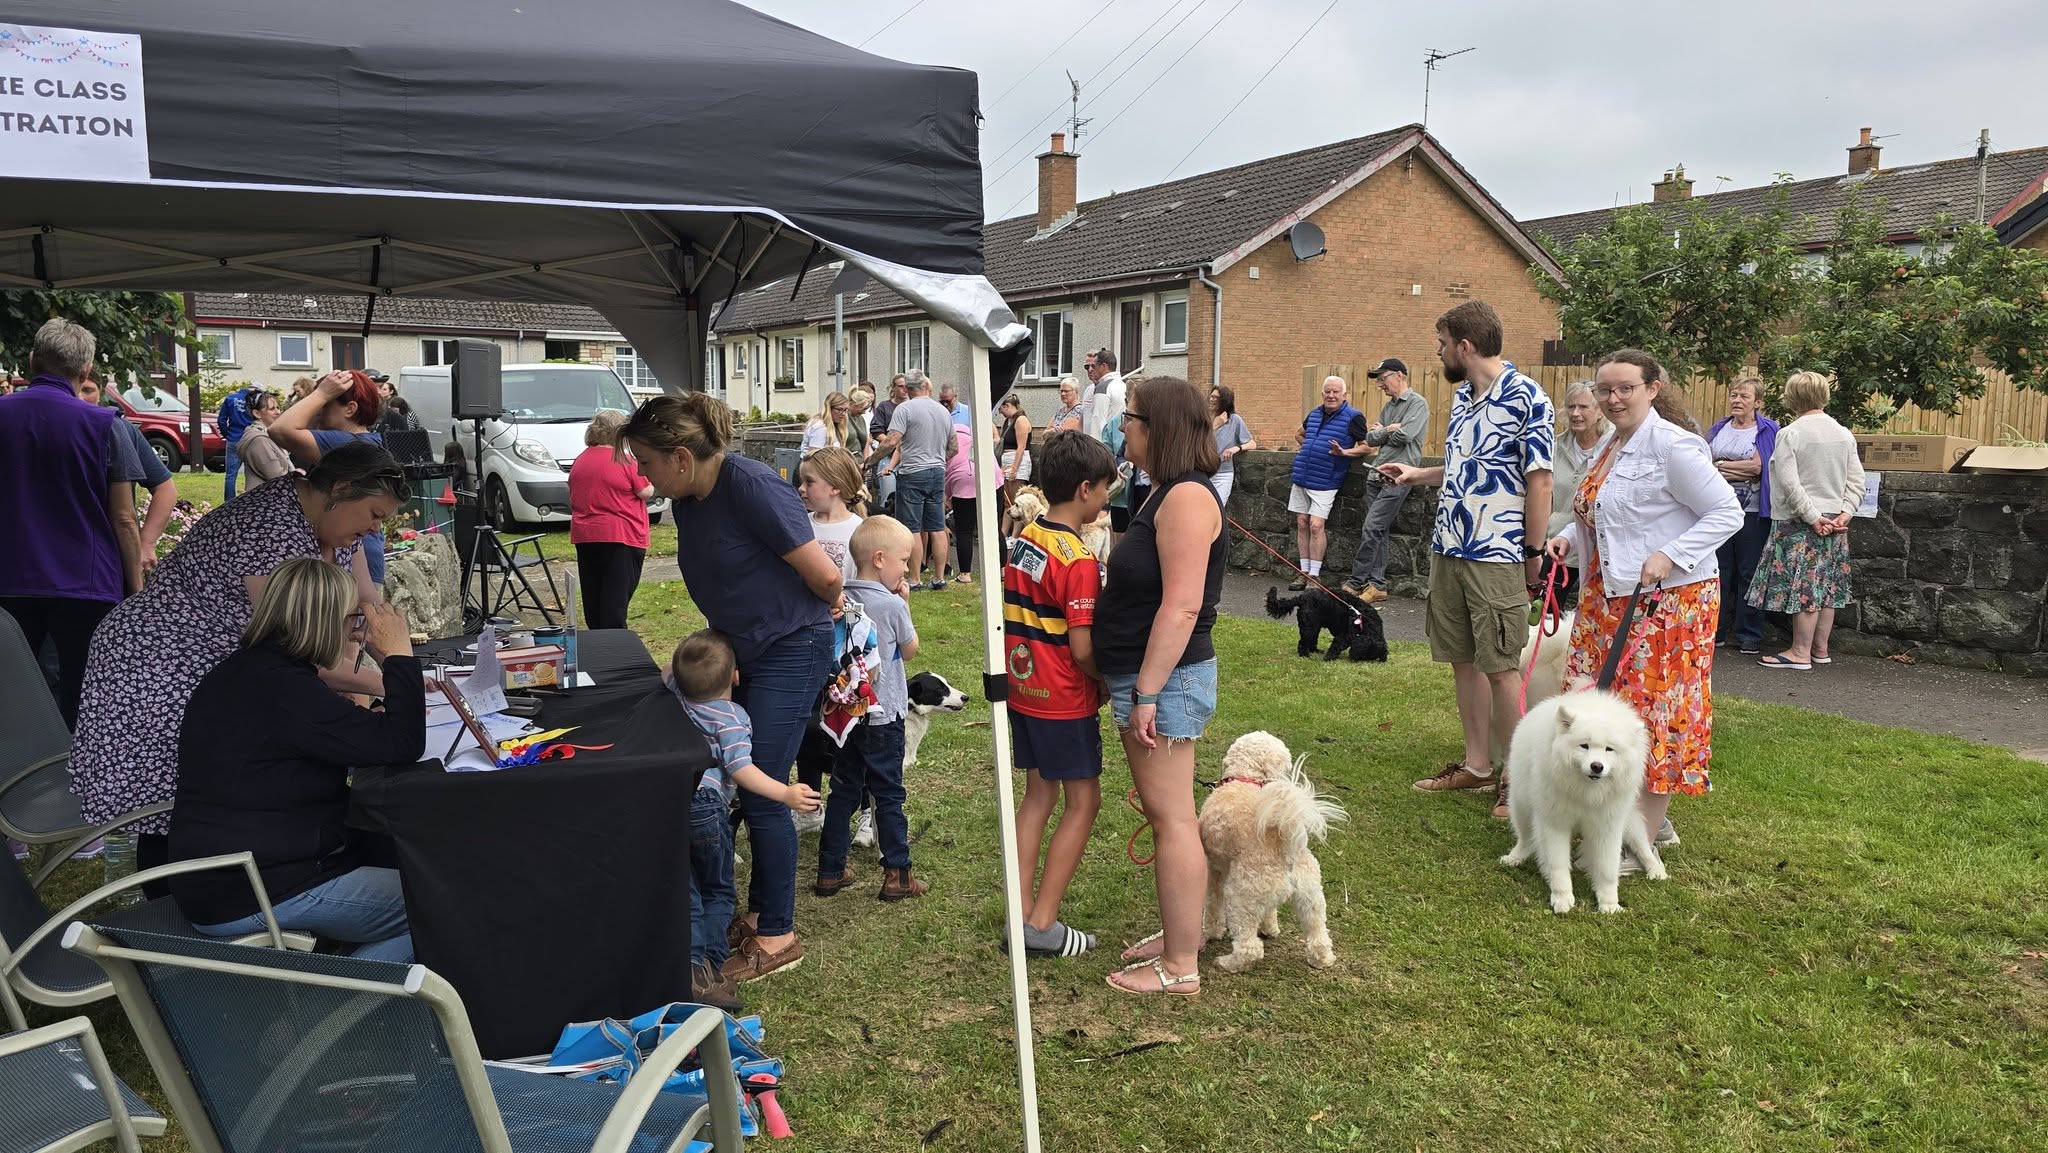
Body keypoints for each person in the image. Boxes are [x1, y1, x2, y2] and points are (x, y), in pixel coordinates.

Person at [70, 442, 401, 880]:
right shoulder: (269, 529)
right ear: (340, 489)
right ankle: (175, 895)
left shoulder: (334, 526)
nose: (376, 529)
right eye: (374, 514)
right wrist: (395, 684)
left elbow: (368, 611)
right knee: (177, 791)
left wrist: (396, 664)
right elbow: (300, 649)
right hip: (158, 661)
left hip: (212, 660)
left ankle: (208, 888)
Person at [619, 394, 840, 983]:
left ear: (681, 457)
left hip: (792, 645)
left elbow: (826, 577)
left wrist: (792, 619)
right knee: (739, 775)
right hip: (745, 647)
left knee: (764, 785)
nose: (644, 476)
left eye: (647, 462)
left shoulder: (752, 486)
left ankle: (778, 935)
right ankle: (760, 911)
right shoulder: (689, 498)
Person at [170, 558, 424, 962]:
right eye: (352, 619)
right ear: (324, 622)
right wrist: (398, 655)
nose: (354, 631)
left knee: (406, 867)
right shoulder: (284, 687)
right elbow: (403, 743)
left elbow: (328, 734)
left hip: (228, 875)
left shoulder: (251, 672)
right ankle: (348, 995)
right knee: (441, 902)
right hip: (256, 887)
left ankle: (352, 979)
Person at [1545, 348, 1740, 862]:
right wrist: (1568, 537)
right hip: (1607, 598)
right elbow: (1605, 514)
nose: (1613, 398)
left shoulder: (1673, 447)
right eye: (1605, 389)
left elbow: (1727, 512)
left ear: (1652, 389)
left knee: (1653, 715)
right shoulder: (1611, 444)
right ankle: (1647, 818)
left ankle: (1641, 841)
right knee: (1606, 709)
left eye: (1625, 388)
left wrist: (1671, 555)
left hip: (1668, 605)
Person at [1381, 302, 1552, 814]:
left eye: (1442, 343)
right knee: (1462, 659)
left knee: (1500, 665)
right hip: (1449, 547)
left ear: (1465, 345)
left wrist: (1533, 553)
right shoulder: (1462, 398)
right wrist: (1418, 475)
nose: (1438, 352)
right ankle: (1478, 766)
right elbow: (1466, 465)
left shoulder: (1527, 397)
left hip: (1497, 553)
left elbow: (1541, 481)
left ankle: (1517, 778)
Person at [1094, 377, 1223, 996]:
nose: (1123, 427)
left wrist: (1146, 692)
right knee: (1168, 816)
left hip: (1165, 682)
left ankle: (1179, 966)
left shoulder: (1188, 498)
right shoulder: (1162, 492)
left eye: (1131, 417)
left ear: (1159, 427)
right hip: (1148, 678)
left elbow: (1183, 606)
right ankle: (1183, 935)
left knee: (1173, 820)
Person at [0, 319, 145, 725]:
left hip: (10, 577)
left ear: (32, 360)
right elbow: (124, 517)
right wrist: (136, 589)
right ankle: (77, 765)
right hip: (86, 582)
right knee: (85, 699)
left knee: (10, 697)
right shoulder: (105, 425)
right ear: (86, 370)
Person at [669, 629, 823, 1010]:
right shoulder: (732, 718)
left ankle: (686, 964)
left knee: (689, 889)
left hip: (673, 801)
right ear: (736, 677)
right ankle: (708, 971)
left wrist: (679, 668)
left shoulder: (677, 698)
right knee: (718, 891)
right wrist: (785, 793)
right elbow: (741, 769)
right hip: (707, 807)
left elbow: (668, 674)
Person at [1006, 431, 1116, 958]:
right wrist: (1105, 681)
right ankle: (1042, 922)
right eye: (1105, 489)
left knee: (1038, 795)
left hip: (1023, 687)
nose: (1107, 500)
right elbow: (1082, 647)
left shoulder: (1029, 534)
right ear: (1085, 489)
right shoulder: (1079, 561)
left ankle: (1020, 913)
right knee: (1084, 800)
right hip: (1064, 696)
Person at [814, 516, 929, 901]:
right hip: (884, 714)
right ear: (880, 559)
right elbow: (910, 650)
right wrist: (904, 605)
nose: (907, 569)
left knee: (843, 789)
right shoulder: (892, 604)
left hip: (847, 714)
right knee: (889, 793)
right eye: (904, 560)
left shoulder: (839, 598)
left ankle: (830, 870)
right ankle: (897, 873)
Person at [1750, 371, 1863, 672]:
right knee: (1826, 586)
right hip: (1835, 520)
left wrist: (1812, 517)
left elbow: (1790, 483)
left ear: (1792, 398)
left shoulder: (1791, 433)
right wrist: (1846, 512)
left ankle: (1800, 653)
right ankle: (1819, 649)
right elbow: (1856, 480)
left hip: (1799, 521)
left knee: (1805, 586)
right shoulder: (1844, 433)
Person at [267, 369, 390, 586]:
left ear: (350, 409)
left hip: (353, 562)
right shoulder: (367, 441)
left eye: (325, 405)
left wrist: (321, 393)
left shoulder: (344, 443)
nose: (317, 410)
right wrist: (323, 396)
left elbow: (279, 430)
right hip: (365, 556)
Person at [1339, 359, 1430, 603]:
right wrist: (1389, 429)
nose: (1380, 384)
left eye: (1383, 378)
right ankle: (1377, 585)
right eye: (1378, 380)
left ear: (1399, 375)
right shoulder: (1389, 407)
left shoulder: (1417, 403)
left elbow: (1406, 436)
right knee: (1378, 530)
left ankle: (1356, 582)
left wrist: (1385, 431)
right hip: (1375, 474)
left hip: (1397, 478)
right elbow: (1370, 438)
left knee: (1372, 527)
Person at [1707, 378, 1779, 655]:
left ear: (1757, 402)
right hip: (1718, 510)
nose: (1737, 400)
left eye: (1744, 396)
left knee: (1750, 572)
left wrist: (1722, 467)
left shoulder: (1767, 429)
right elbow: (1705, 465)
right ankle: (1714, 631)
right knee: (1719, 570)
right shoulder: (1719, 428)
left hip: (1752, 512)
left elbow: (1759, 468)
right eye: (1734, 395)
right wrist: (1739, 467)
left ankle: (1749, 635)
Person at [78, 375, 177, 578]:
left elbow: (165, 488)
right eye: (76, 390)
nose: (80, 397)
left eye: (88, 390)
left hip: (110, 556)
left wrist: (146, 543)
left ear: (100, 393)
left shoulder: (119, 429)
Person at [569, 409, 656, 630]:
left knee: (594, 595)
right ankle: (614, 643)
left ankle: (597, 638)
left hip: (585, 535)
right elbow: (645, 492)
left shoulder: (581, 460)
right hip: (620, 535)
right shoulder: (624, 460)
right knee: (616, 599)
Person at [1286, 376, 1368, 591]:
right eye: (1327, 392)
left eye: (1335, 392)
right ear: (1322, 394)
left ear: (1344, 395)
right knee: (1302, 522)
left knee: (1316, 525)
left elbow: (1366, 447)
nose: (1331, 396)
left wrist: (1344, 453)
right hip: (1303, 475)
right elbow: (1299, 434)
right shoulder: (1314, 414)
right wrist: (1310, 448)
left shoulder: (1354, 417)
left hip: (1327, 479)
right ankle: (1303, 572)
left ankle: (1314, 575)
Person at [875, 372, 954, 591]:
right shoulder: (943, 410)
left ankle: (915, 578)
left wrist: (869, 461)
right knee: (937, 527)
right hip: (937, 472)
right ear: (927, 386)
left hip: (912, 473)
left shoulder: (904, 409)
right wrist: (937, 458)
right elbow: (954, 447)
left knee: (912, 528)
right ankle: (939, 578)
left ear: (908, 389)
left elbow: (891, 441)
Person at [1539, 379, 1611, 607]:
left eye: (1583, 407)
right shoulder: (1555, 447)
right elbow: (1544, 495)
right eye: (1571, 407)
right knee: (1545, 611)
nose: (1575, 413)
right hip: (1558, 547)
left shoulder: (1613, 448)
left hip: (1597, 550)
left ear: (1600, 411)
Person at [797, 446, 866, 584]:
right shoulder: (800, 525)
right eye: (802, 481)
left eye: (809, 482)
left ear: (835, 487)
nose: (801, 488)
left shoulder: (860, 530)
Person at [230, 390, 296, 490]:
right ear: (257, 413)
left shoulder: (268, 434)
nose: (278, 412)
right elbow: (277, 478)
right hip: (268, 497)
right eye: (272, 409)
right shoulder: (259, 441)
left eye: (278, 408)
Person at [943, 420, 981, 585]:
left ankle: (965, 574)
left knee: (964, 530)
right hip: (991, 477)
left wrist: (947, 496)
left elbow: (946, 468)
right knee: (994, 527)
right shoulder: (975, 438)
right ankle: (1001, 570)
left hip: (961, 480)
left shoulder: (948, 441)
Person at [1208, 385, 1256, 507]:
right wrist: (1214, 426)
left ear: (1225, 400)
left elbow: (1252, 444)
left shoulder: (1234, 420)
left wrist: (1237, 448)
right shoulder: (1204, 418)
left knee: (1217, 508)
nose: (1212, 399)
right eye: (1211, 396)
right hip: (1203, 472)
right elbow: (1196, 441)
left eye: (1216, 398)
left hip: (1223, 474)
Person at [868, 374, 909, 513]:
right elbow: (876, 430)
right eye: (900, 386)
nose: (904, 389)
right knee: (888, 497)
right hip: (888, 457)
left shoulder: (912, 406)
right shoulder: (885, 407)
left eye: (906, 386)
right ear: (893, 387)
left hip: (907, 458)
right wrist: (891, 442)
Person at [217, 383, 262, 499]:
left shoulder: (230, 398)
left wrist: (227, 434)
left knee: (230, 475)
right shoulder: (255, 401)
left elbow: (221, 420)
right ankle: (251, 500)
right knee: (253, 472)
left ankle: (229, 502)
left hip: (234, 438)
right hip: (251, 438)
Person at [1080, 349, 1125, 443]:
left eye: (1094, 366)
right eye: (1087, 367)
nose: (1092, 369)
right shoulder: (1122, 385)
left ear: (1104, 366)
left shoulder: (1103, 387)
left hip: (1105, 445)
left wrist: (1094, 448)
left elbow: (1097, 424)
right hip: (1118, 443)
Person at [998, 392, 1034, 497]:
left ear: (1007, 406)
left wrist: (1014, 468)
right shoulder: (1007, 421)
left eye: (1001, 409)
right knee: (1007, 498)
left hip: (1018, 461)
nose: (1001, 413)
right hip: (1006, 461)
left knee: (1015, 497)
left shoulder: (1021, 420)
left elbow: (1021, 447)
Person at [801, 391, 855, 457]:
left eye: (846, 410)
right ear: (829, 408)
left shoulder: (835, 424)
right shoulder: (820, 426)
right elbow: (814, 456)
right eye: (839, 409)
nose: (843, 414)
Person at [844, 385, 873, 461]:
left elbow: (866, 441)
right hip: (847, 460)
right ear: (854, 405)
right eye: (863, 409)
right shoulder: (843, 418)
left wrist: (866, 462)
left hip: (860, 460)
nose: (864, 412)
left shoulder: (861, 419)